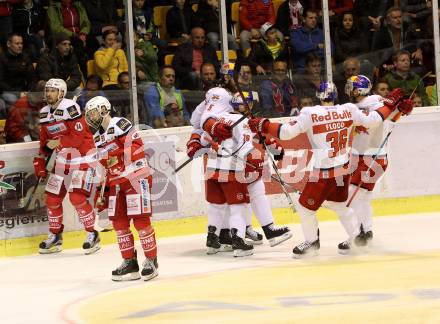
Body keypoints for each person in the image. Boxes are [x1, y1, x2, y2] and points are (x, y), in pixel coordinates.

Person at [247, 81, 414, 257]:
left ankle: (312, 243)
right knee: (340, 204)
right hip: (343, 171)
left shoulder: (310, 113)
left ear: (318, 95)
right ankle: (357, 236)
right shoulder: (348, 109)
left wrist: (263, 125)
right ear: (335, 94)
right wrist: (390, 105)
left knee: (305, 208)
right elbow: (374, 120)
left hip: (323, 173)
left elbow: (286, 133)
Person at [189, 63, 292, 253]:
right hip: (234, 170)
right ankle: (241, 235)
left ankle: (219, 237)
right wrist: (258, 162)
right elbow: (206, 124)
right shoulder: (229, 109)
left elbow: (199, 131)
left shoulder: (224, 115)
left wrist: (196, 143)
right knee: (239, 203)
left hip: (215, 168)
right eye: (247, 104)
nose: (249, 107)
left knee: (220, 204)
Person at [84, 96, 158, 281]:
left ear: (104, 109)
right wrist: (104, 189)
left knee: (141, 221)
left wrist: (114, 154)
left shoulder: (120, 123)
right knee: (119, 223)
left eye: (93, 112)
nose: (91, 116)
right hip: (116, 182)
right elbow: (106, 164)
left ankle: (151, 260)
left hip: (135, 177)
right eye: (89, 114)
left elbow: (136, 146)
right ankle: (129, 263)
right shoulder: (97, 137)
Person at [33, 78, 100, 255]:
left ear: (62, 93)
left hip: (83, 158)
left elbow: (77, 139)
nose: (48, 93)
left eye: (53, 90)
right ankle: (55, 236)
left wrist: (58, 142)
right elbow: (45, 142)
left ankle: (92, 234)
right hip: (63, 161)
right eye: (47, 90)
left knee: (77, 198)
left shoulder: (71, 108)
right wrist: (40, 159)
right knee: (51, 198)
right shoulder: (44, 113)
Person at [345, 75, 414, 245]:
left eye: (350, 86)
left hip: (369, 158)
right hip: (372, 158)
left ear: (358, 89)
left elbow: (389, 115)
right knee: (364, 196)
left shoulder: (375, 101)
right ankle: (367, 231)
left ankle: (359, 232)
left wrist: (402, 109)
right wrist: (399, 109)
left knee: (352, 196)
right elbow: (390, 113)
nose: (347, 89)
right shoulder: (358, 105)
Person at [0, 33, 36, 105]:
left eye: (21, 43)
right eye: (17, 43)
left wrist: (29, 91)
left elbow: (32, 77)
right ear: (8, 44)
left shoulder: (25, 58)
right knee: (14, 99)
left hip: (24, 91)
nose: (20, 46)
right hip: (8, 92)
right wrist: (18, 93)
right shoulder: (2, 59)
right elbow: (1, 82)